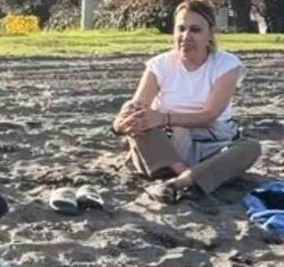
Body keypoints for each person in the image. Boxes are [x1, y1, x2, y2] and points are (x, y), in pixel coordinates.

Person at [112, 0, 261, 203]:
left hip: (212, 144)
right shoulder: (159, 65)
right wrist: (122, 120)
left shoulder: (227, 65)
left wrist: (163, 118)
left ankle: (177, 183)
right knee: (140, 122)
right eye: (181, 28)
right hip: (167, 145)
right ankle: (186, 173)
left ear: (210, 34)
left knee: (251, 148)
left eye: (195, 30)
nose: (186, 36)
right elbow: (136, 110)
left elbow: (210, 115)